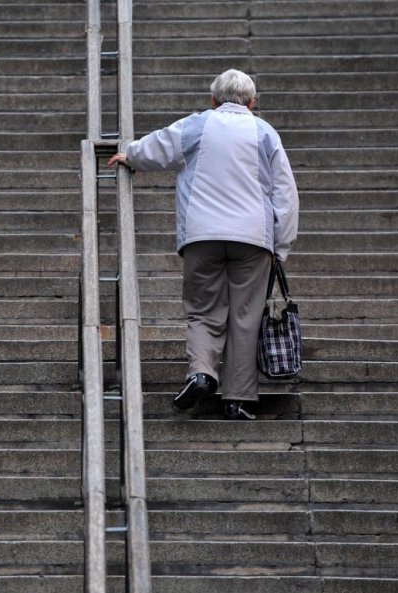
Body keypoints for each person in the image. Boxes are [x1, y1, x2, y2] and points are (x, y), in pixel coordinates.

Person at [107, 69, 299, 420]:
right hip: (253, 239)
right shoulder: (265, 133)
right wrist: (281, 246)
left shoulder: (197, 125)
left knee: (202, 309)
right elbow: (285, 194)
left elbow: (159, 147)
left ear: (213, 100)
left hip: (202, 235)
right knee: (246, 316)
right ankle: (237, 399)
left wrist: (130, 156)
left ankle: (201, 373)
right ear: (253, 103)